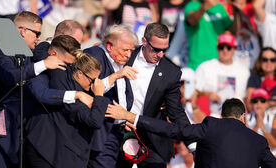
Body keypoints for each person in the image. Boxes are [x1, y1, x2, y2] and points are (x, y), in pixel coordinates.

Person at [0, 11, 65, 168]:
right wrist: (44, 64)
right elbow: (10, 77)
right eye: (37, 33)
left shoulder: (21, 53)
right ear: (22, 31)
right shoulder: (3, 44)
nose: (38, 38)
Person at [106, 98, 276, 168]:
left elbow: (172, 130)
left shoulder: (212, 126)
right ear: (244, 117)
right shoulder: (259, 141)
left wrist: (130, 116)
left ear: (222, 116)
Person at [26, 36, 110, 168]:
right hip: (49, 152)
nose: (95, 84)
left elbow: (45, 50)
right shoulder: (62, 78)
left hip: (56, 150)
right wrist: (98, 95)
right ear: (80, 73)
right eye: (92, 80)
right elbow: (94, 121)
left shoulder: (77, 81)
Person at [115, 23, 192, 168]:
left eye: (165, 50)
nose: (161, 55)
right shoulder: (125, 56)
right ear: (144, 41)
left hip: (152, 140)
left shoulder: (171, 72)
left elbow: (176, 112)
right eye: (156, 49)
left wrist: (192, 144)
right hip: (120, 133)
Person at [83, 24, 138, 168]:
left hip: (120, 133)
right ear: (109, 46)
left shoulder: (119, 60)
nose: (128, 55)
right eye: (125, 50)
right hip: (101, 135)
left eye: (131, 51)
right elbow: (89, 88)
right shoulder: (94, 55)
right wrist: (116, 76)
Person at [194, 32, 249, 118]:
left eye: (228, 47)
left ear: (234, 49)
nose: (225, 50)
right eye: (221, 47)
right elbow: (193, 92)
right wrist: (207, 95)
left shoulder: (243, 71)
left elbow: (246, 98)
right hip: (211, 117)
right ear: (217, 48)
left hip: (237, 119)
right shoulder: (205, 67)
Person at [184, 0, 234, 70]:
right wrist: (205, 7)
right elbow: (191, 20)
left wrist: (236, 11)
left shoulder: (219, 7)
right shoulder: (192, 5)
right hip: (198, 64)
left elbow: (232, 30)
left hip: (219, 64)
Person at [246, 88, 276, 156]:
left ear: (267, 103)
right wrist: (257, 126)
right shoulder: (246, 118)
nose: (259, 104)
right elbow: (247, 143)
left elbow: (274, 144)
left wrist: (263, 127)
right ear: (252, 103)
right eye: (255, 101)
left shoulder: (273, 118)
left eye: (262, 100)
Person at [246, 47, 276, 112]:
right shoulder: (254, 77)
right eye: (265, 59)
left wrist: (270, 103)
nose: (269, 62)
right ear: (260, 61)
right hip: (258, 116)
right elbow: (249, 105)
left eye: (273, 60)